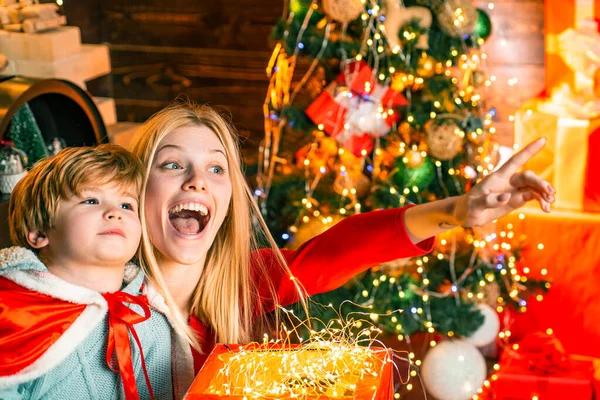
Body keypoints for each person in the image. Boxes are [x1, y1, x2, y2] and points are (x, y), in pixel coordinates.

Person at [128, 101, 555, 384]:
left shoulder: (243, 280)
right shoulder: (97, 295)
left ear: (229, 200)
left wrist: (459, 212)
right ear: (137, 187)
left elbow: (342, 250)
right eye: (172, 164)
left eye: (216, 169)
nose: (197, 180)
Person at [0, 145, 189, 400]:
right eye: (91, 200)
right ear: (39, 231)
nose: (115, 213)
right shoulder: (13, 313)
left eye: (127, 205)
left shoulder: (150, 317)